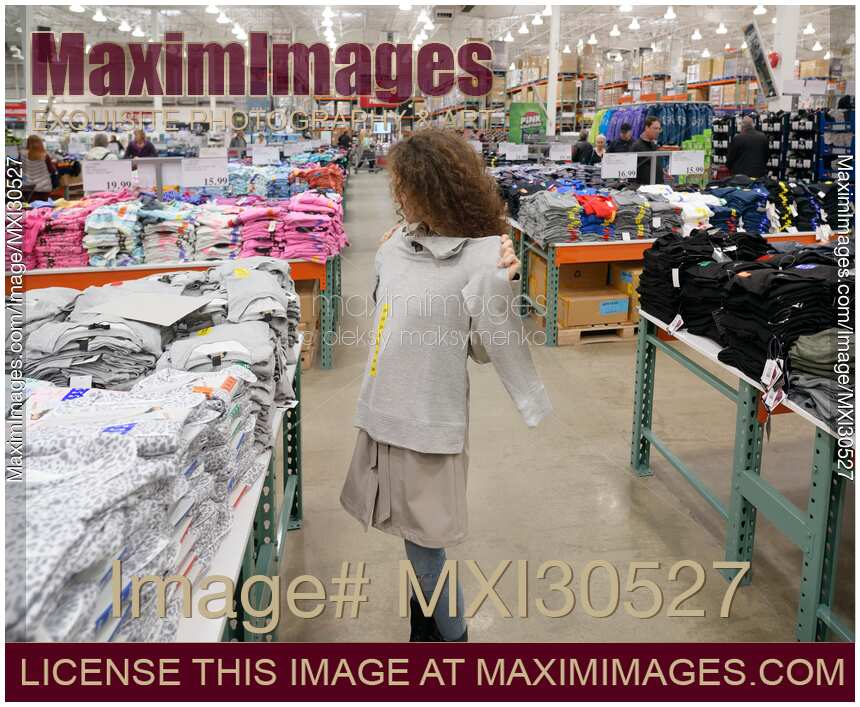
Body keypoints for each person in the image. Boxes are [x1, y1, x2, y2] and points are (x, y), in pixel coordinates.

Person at [340, 129, 552, 643]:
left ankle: (453, 643)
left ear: (432, 189)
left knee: (427, 547)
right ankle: (425, 633)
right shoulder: (393, 248)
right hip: (383, 412)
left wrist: (505, 285)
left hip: (430, 422)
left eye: (405, 187)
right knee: (414, 541)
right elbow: (384, 319)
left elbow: (483, 347)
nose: (399, 197)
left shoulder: (483, 259)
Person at [21, 135, 56, 201]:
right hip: (43, 188)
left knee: (29, 207)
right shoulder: (45, 155)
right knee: (43, 207)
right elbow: (51, 170)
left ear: (28, 143)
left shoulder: (22, 155)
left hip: (28, 187)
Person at [631, 116, 663, 184]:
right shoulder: (636, 147)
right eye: (655, 128)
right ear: (647, 128)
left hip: (658, 188)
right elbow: (631, 174)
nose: (658, 131)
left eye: (659, 129)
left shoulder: (654, 146)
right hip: (644, 191)